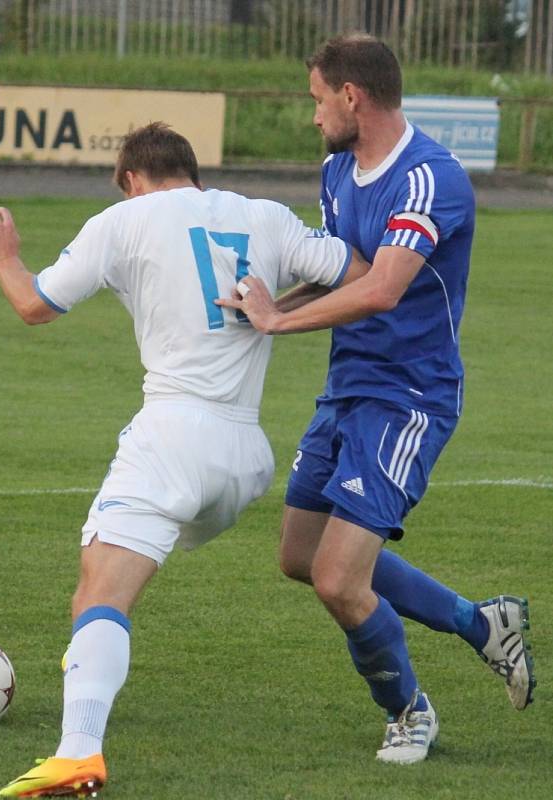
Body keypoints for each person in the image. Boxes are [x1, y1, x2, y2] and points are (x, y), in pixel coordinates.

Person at [0, 122, 368, 798]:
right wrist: (271, 305)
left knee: (99, 592)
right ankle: (84, 706)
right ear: (193, 172)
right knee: (103, 585)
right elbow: (357, 273)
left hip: (173, 440)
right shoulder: (263, 217)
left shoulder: (124, 220)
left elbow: (34, 305)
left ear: (130, 180)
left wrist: (4, 254)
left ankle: (77, 753)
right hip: (244, 459)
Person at [217, 34, 535, 765]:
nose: (312, 115)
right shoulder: (335, 171)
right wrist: (261, 304)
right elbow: (345, 272)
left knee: (337, 579)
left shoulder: (430, 178)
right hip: (347, 388)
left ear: (350, 96)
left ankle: (408, 713)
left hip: (408, 398)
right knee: (300, 556)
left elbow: (385, 286)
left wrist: (278, 323)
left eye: (316, 99)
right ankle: (479, 622)